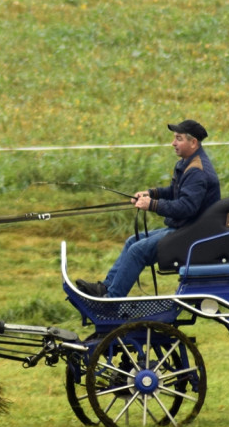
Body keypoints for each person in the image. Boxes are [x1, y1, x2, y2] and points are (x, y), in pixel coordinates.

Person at [76, 119, 221, 298]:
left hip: (192, 235)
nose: (173, 143)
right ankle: (106, 288)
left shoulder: (197, 171)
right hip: (187, 229)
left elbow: (186, 207)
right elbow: (175, 192)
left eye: (178, 139)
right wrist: (151, 194)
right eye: (174, 138)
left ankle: (112, 301)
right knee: (132, 241)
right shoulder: (187, 163)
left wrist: (151, 205)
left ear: (193, 142)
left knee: (138, 251)